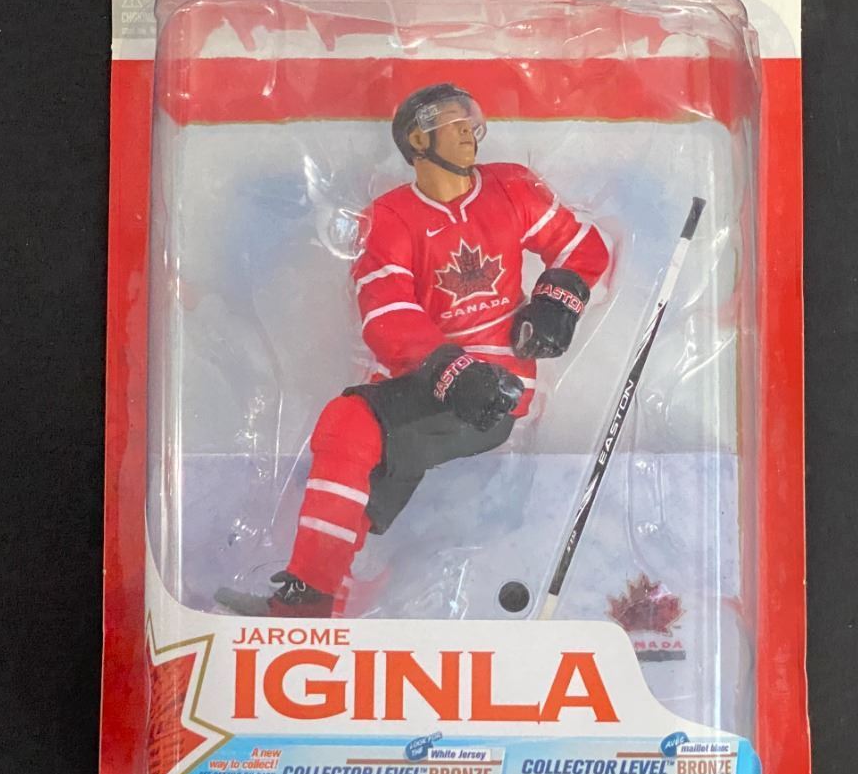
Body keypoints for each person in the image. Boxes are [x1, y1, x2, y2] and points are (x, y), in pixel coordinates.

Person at [216, 84, 612, 617]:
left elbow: (583, 247)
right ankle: (322, 593)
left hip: (496, 387)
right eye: (451, 122)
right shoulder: (390, 218)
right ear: (418, 140)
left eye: (468, 119)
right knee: (359, 448)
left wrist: (555, 301)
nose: (467, 130)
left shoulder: (511, 188)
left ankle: (311, 596)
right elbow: (387, 313)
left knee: (349, 425)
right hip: (430, 376)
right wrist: (449, 368)